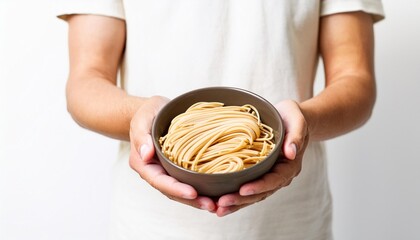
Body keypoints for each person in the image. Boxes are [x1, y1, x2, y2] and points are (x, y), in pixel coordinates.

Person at [58, 1, 384, 239]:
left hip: (292, 223)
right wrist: (139, 118)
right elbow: (86, 81)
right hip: (149, 225)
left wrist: (305, 121)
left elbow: (354, 79)